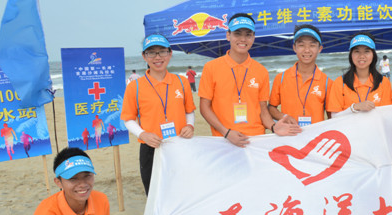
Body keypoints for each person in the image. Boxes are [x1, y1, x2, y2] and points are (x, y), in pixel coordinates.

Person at [198, 13, 300, 147]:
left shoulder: (261, 71)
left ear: (253, 38)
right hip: (224, 139)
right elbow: (204, 107)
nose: (243, 39)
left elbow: (263, 109)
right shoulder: (211, 67)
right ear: (228, 35)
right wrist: (226, 132)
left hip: (256, 140)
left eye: (248, 34)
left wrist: (273, 126)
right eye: (237, 34)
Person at [121, 34, 196, 195]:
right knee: (155, 196)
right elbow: (128, 119)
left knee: (183, 193)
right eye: (151, 52)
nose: (157, 57)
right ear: (144, 56)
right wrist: (143, 134)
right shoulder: (135, 87)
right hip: (151, 148)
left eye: (162, 51)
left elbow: (189, 111)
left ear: (170, 53)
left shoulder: (181, 81)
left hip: (180, 144)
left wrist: (190, 126)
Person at [269, 24, 332, 127]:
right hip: (290, 134)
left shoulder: (327, 82)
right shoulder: (281, 78)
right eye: (301, 45)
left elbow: (331, 117)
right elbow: (271, 107)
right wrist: (283, 117)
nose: (307, 50)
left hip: (316, 135)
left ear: (320, 48)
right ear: (294, 48)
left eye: (312, 45)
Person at [326, 33, 392, 116]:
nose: (361, 56)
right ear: (351, 55)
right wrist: (354, 107)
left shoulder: (383, 82)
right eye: (357, 51)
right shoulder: (340, 83)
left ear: (373, 55)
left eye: (366, 51)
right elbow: (334, 117)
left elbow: (387, 115)